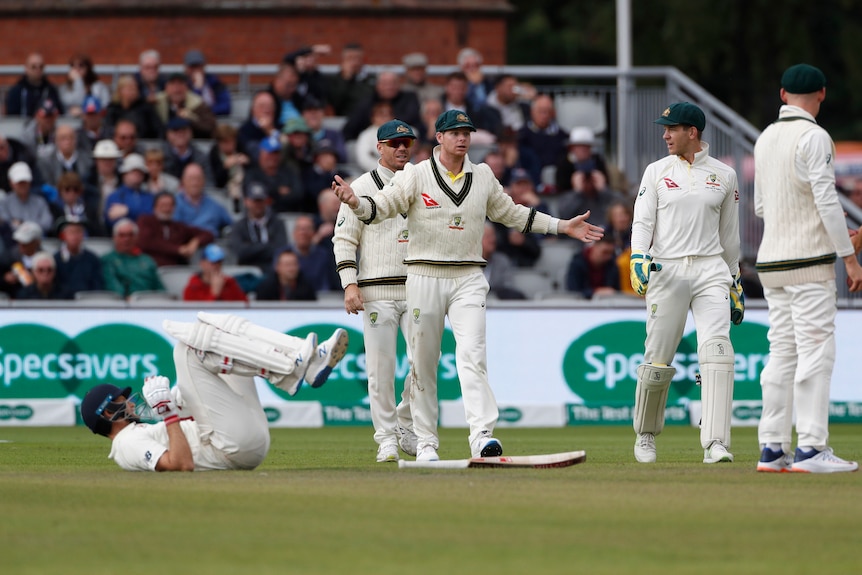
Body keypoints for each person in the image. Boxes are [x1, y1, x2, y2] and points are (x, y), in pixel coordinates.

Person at [332, 109, 604, 461]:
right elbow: (382, 207)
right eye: (455, 132)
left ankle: (482, 436)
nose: (462, 138)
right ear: (440, 137)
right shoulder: (416, 175)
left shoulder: (484, 175)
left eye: (467, 133)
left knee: (473, 356)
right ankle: (426, 441)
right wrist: (355, 202)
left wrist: (561, 226)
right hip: (424, 275)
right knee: (423, 364)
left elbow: (513, 213)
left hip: (468, 278)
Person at [753, 64, 862, 473]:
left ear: (782, 95)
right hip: (808, 262)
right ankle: (812, 449)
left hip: (772, 261)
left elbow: (763, 207)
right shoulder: (815, 136)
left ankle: (773, 449)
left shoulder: (765, 138)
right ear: (822, 94)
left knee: (781, 351)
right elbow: (826, 200)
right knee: (817, 351)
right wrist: (848, 256)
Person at [79, 312, 349, 472]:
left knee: (215, 330)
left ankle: (300, 357)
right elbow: (179, 463)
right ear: (106, 413)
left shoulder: (138, 431)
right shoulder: (125, 444)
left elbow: (190, 407)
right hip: (230, 449)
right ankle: (287, 373)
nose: (129, 403)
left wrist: (175, 399)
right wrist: (167, 412)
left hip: (239, 441)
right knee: (185, 349)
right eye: (120, 401)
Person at [630, 102, 741, 465]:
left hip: (711, 270)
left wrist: (735, 278)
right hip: (668, 268)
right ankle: (646, 435)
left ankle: (715, 442)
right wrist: (637, 256)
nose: (665, 135)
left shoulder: (724, 174)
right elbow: (643, 222)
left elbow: (730, 235)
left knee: (718, 354)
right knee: (658, 359)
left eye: (671, 129)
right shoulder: (657, 171)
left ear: (691, 132)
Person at [332, 119, 419, 463]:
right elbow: (344, 238)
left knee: (423, 364)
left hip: (418, 286)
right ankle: (385, 438)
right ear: (379, 148)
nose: (401, 149)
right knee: (379, 370)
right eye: (394, 143)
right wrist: (349, 283)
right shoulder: (361, 185)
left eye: (406, 143)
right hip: (377, 290)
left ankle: (406, 423)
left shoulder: (421, 180)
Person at [137, 191, 214, 267]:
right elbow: (146, 242)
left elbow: (208, 234)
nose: (166, 209)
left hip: (175, 269)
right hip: (150, 267)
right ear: (155, 207)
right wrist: (178, 249)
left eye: (170, 205)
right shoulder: (145, 221)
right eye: (163, 205)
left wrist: (196, 241)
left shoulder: (179, 227)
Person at [342, 71, 421, 142]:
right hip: (372, 142)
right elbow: (349, 129)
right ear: (377, 85)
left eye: (393, 83)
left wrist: (387, 125)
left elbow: (412, 118)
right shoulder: (366, 103)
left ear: (399, 84)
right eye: (385, 83)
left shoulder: (409, 98)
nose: (389, 87)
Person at [228, 183, 288, 271]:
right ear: (246, 202)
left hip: (273, 270)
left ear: (266, 201)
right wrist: (267, 246)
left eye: (261, 201)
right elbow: (240, 252)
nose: (258, 205)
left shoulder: (277, 223)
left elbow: (280, 249)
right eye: (255, 201)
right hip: (247, 271)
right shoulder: (239, 226)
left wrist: (251, 247)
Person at [101, 218, 165, 298]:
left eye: (130, 235)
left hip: (150, 304)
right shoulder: (107, 260)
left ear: (136, 237)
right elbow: (114, 288)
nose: (126, 239)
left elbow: (159, 288)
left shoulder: (147, 260)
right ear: (114, 238)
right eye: (122, 235)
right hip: (123, 306)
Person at [243, 133, 306, 214]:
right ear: (261, 154)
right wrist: (278, 191)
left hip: (288, 213)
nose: (273, 157)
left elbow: (298, 194)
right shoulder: (252, 173)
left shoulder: (288, 171)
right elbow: (254, 195)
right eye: (270, 153)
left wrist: (272, 197)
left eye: (276, 153)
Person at [173, 163, 233, 238]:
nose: (195, 183)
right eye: (191, 179)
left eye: (198, 179)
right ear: (183, 181)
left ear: (204, 181)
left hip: (211, 244)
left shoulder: (214, 205)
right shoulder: (173, 204)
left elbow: (232, 224)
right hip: (184, 245)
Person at [53, 216, 104, 298]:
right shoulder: (56, 259)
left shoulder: (92, 259)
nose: (75, 236)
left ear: (83, 235)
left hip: (87, 304)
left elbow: (97, 286)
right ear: (64, 236)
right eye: (71, 232)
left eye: (78, 232)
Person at [155, 73, 216, 139]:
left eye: (180, 84)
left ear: (186, 87)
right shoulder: (157, 102)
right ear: (166, 88)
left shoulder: (198, 103)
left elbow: (209, 127)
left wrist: (190, 118)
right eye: (173, 84)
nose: (176, 89)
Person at [104, 153, 154, 232]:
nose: (137, 175)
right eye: (133, 172)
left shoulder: (149, 197)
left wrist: (128, 211)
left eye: (140, 173)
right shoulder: (115, 196)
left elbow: (150, 218)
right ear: (124, 174)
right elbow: (113, 220)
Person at [4, 53, 64, 118]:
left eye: (41, 67)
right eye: (33, 67)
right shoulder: (16, 91)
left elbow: (59, 112)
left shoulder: (50, 90)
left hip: (45, 127)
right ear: (26, 69)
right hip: (22, 126)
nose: (38, 70)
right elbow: (11, 116)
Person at [1, 162, 53, 235]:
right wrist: (34, 224)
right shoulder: (5, 202)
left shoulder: (40, 202)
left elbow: (47, 224)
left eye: (25, 182)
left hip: (37, 240)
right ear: (11, 183)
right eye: (19, 183)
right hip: (12, 243)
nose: (23, 185)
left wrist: (21, 224)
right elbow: (6, 224)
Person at [104, 75, 163, 140]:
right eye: (130, 88)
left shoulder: (145, 108)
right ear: (120, 91)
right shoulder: (112, 109)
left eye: (135, 88)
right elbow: (107, 130)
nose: (133, 91)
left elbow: (158, 129)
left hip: (143, 144)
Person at [183, 244, 247, 302]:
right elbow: (194, 312)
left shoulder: (229, 282)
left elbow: (244, 304)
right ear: (202, 264)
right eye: (213, 263)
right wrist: (214, 293)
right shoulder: (194, 286)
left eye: (219, 262)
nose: (217, 266)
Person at [327, 43, 375, 118]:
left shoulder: (371, 79)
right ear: (343, 61)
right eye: (350, 58)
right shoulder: (335, 80)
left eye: (357, 58)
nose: (354, 62)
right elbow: (336, 104)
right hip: (344, 119)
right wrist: (346, 79)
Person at [49, 172, 103, 237]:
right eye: (67, 189)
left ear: (80, 191)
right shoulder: (53, 209)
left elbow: (97, 230)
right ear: (60, 191)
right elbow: (52, 231)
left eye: (75, 189)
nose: (71, 193)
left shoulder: (88, 209)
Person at [481, 220, 526, 300]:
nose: (493, 240)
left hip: (497, 307)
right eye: (488, 237)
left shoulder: (502, 261)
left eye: (493, 235)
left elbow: (507, 288)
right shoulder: (467, 262)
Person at [162, 117, 213, 184]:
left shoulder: (201, 157)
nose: (180, 134)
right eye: (175, 130)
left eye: (184, 130)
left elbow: (209, 183)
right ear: (167, 134)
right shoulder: (161, 156)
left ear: (191, 133)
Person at [0, 221, 44, 298]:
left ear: (36, 242)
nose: (21, 244)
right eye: (20, 241)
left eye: (26, 242)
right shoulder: (8, 258)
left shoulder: (45, 261)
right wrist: (5, 279)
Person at [183, 50, 231, 117]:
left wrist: (206, 112)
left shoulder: (215, 83)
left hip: (213, 120)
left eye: (198, 66)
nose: (196, 70)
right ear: (186, 68)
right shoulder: (182, 85)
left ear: (203, 67)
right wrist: (197, 89)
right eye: (192, 67)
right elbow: (192, 107)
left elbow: (225, 107)